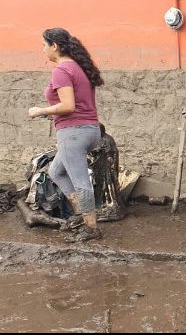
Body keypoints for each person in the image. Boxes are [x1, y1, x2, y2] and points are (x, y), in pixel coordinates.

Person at [27, 28, 104, 242]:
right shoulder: (78, 67)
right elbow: (76, 104)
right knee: (56, 171)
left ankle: (91, 228)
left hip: (73, 133)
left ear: (55, 46)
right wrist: (50, 114)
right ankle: (81, 216)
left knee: (81, 182)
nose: (42, 49)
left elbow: (68, 106)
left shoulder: (61, 70)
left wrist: (40, 110)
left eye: (44, 45)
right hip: (90, 130)